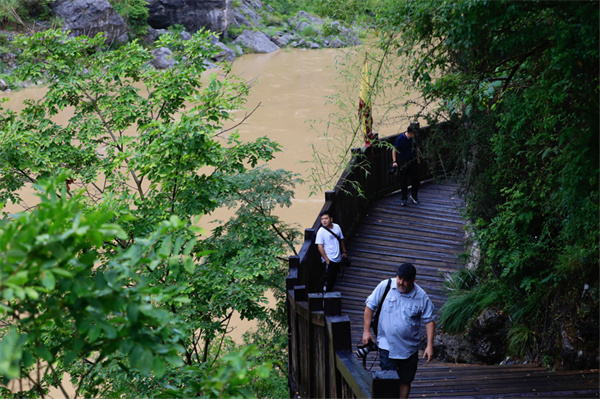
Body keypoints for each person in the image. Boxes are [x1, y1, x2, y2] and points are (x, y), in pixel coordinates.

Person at [362, 263, 434, 399]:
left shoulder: (421, 296)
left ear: (413, 280)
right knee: (389, 379)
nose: (401, 282)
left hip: (409, 348)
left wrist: (429, 346)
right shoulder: (385, 286)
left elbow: (429, 320)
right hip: (386, 344)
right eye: (399, 278)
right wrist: (366, 331)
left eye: (405, 280)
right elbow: (369, 306)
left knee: (406, 380)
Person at [315, 210, 347, 292]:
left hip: (338, 257)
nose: (324, 221)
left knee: (334, 277)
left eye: (326, 218)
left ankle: (329, 293)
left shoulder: (337, 227)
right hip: (329, 259)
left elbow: (341, 239)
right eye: (322, 219)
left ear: (331, 219)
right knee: (328, 279)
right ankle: (326, 297)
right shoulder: (321, 231)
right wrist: (326, 260)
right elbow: (320, 247)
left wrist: (344, 252)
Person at [392, 123, 421, 206]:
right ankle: (404, 198)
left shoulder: (414, 139)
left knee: (415, 180)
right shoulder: (400, 139)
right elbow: (394, 149)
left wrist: (418, 158)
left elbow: (417, 148)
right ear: (410, 133)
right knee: (403, 181)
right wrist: (394, 162)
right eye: (414, 133)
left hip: (413, 161)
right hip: (403, 162)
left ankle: (414, 196)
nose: (415, 135)